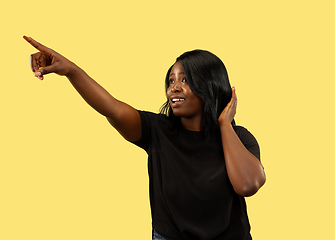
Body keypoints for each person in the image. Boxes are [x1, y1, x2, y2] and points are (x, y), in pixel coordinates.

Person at [23, 36, 266, 240]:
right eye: (171, 80)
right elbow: (111, 107)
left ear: (210, 85)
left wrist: (224, 123)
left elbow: (247, 185)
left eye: (186, 80)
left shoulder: (240, 138)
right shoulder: (157, 130)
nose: (174, 87)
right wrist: (71, 70)